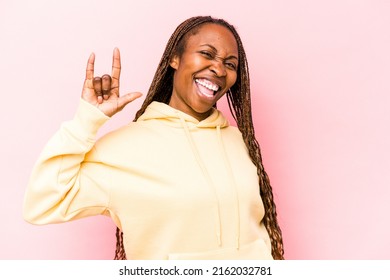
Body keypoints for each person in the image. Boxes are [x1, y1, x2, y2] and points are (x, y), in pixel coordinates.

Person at [23, 16, 284, 260]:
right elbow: (43, 204)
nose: (218, 68)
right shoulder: (124, 148)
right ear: (175, 59)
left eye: (230, 64)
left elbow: (259, 235)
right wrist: (87, 120)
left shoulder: (239, 141)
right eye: (206, 54)